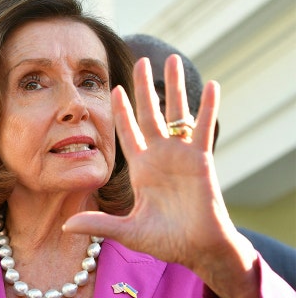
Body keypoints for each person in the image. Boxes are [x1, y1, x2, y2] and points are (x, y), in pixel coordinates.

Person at [0, 0, 295, 298]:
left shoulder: (200, 279)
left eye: (90, 80)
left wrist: (229, 266)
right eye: (33, 82)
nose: (75, 105)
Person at [124, 33, 296, 290]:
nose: (126, 118)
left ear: (207, 135)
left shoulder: (280, 269)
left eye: (155, 102)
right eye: (112, 99)